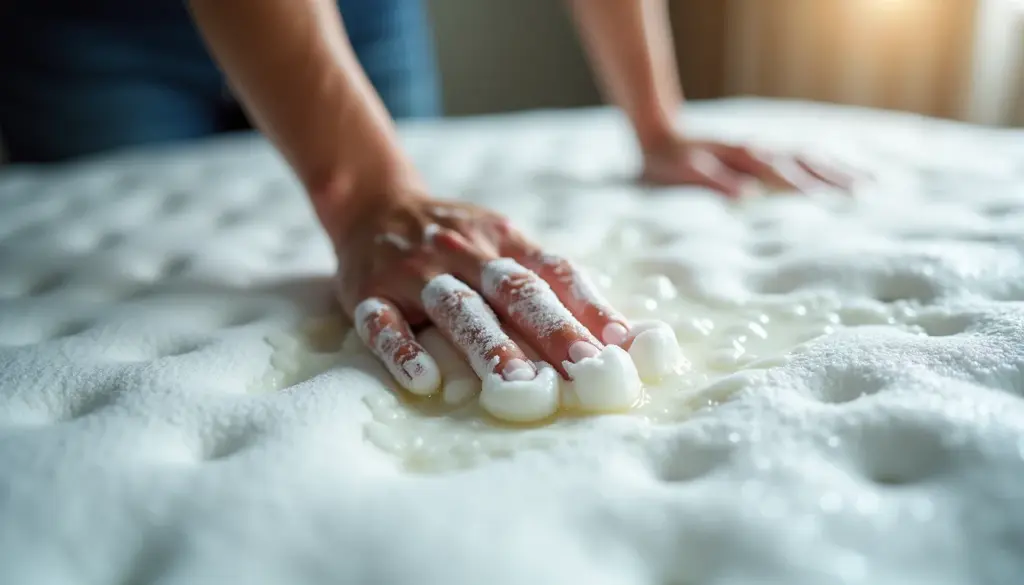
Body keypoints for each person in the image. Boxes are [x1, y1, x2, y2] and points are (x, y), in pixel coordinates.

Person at [1, 1, 852, 396]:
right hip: (96, 26)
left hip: (357, 13)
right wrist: (371, 194)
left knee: (419, 280)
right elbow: (367, 195)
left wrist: (657, 122)